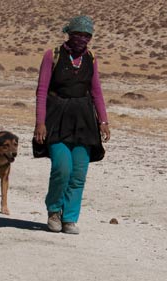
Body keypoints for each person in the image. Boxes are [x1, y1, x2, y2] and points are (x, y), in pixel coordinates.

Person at [33, 15, 111, 235]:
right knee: (62, 168)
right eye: (78, 34)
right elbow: (41, 90)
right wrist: (40, 122)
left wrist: (103, 120)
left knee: (78, 173)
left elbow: (96, 91)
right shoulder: (53, 55)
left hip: (84, 120)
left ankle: (69, 218)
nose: (82, 39)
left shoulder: (91, 58)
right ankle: (54, 210)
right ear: (69, 34)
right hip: (57, 117)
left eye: (87, 36)